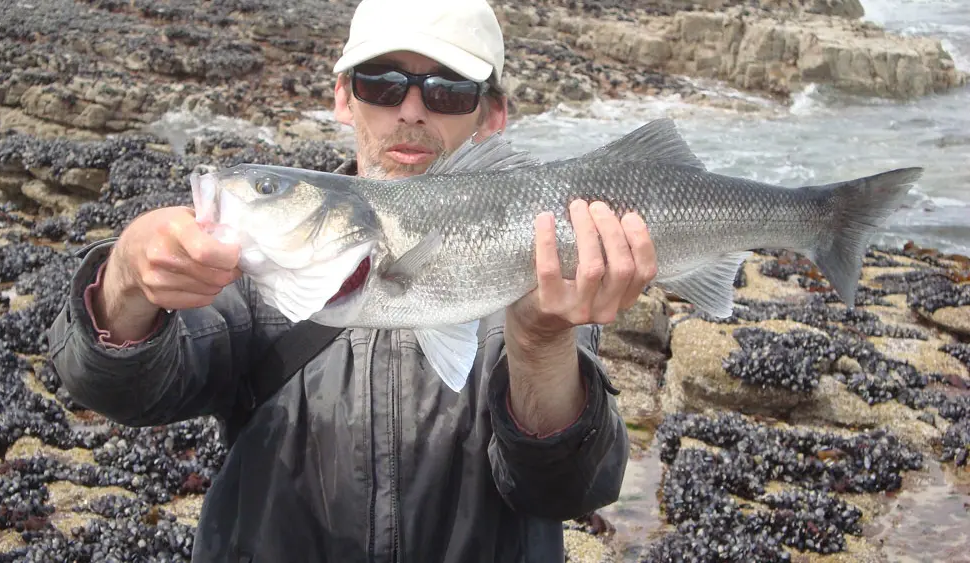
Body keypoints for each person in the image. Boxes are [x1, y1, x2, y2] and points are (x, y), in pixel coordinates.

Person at [46, 0, 659, 561]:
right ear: (343, 97)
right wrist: (126, 279)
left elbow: (572, 487)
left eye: (448, 90)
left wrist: (542, 344)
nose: (411, 108)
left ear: (493, 114)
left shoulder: (543, 261)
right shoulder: (252, 274)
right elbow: (119, 391)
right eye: (382, 82)